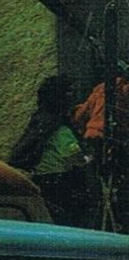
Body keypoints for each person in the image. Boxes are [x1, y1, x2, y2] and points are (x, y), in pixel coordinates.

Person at [9, 74, 92, 227]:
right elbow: (73, 156)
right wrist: (90, 158)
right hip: (60, 184)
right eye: (69, 92)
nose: (73, 96)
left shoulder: (40, 120)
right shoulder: (59, 127)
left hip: (43, 180)